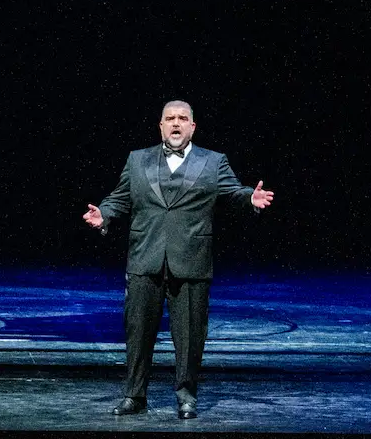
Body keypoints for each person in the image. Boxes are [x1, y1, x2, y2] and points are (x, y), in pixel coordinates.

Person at [82, 100, 275, 419]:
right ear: (160, 125)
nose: (176, 123)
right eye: (169, 118)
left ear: (192, 126)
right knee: (138, 332)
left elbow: (233, 191)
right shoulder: (137, 159)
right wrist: (104, 215)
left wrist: (249, 198)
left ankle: (186, 396)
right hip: (146, 257)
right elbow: (119, 198)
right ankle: (134, 395)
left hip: (191, 259)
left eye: (182, 118)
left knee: (189, 335)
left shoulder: (214, 162)